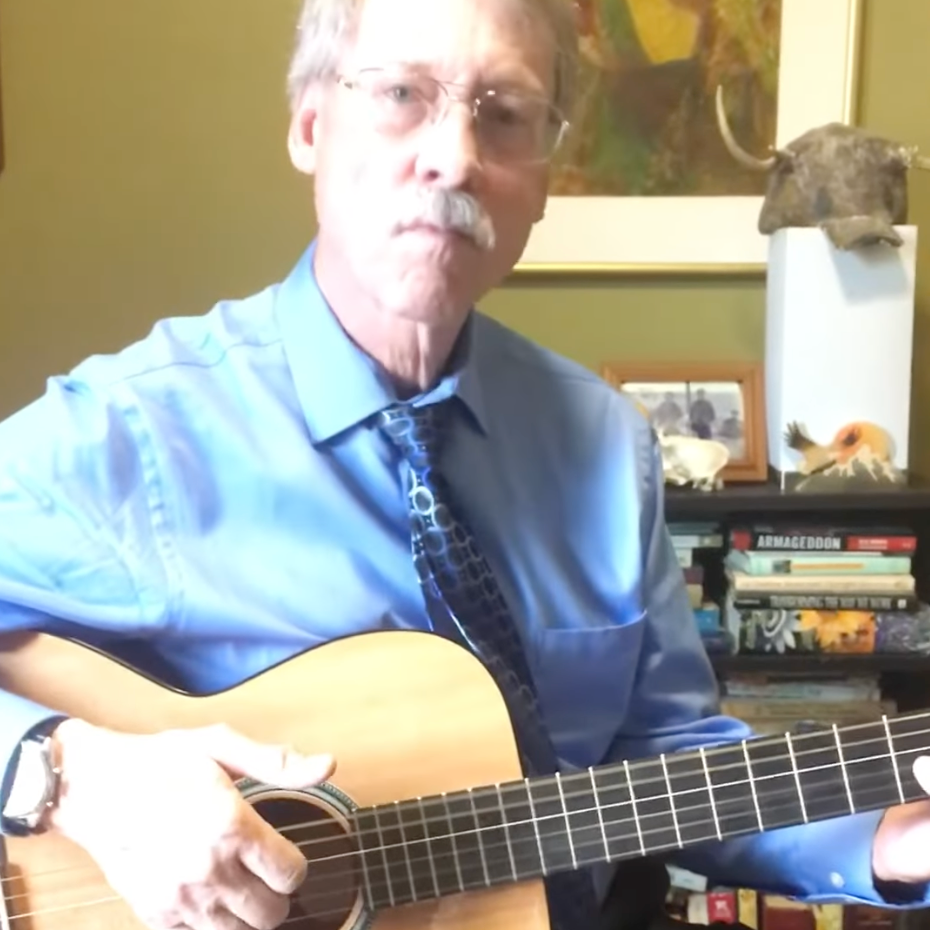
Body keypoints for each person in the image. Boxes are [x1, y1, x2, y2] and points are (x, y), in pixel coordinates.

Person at [1, 1, 930, 929]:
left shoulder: (609, 446)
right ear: (311, 127)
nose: (455, 158)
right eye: (402, 94)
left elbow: (666, 753)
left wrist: (885, 843)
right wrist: (65, 775)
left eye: (506, 113)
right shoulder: (129, 434)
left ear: (546, 179)